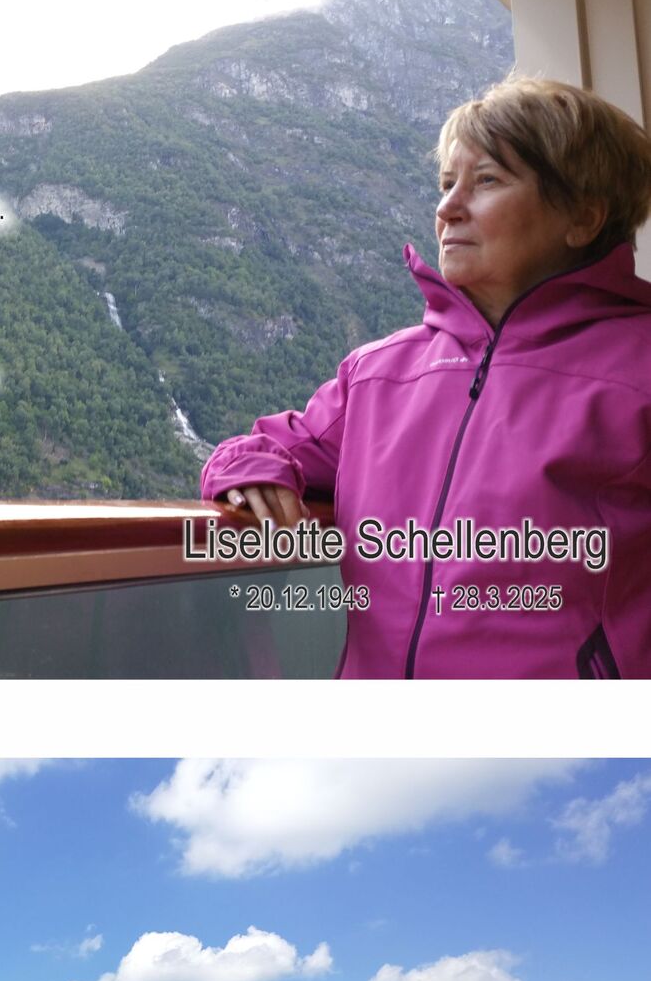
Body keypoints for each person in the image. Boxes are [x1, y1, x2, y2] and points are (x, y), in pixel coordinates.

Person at [200, 75, 651, 679]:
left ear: (583, 216)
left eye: (486, 180)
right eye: (445, 184)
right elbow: (270, 446)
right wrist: (249, 474)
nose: (447, 208)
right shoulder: (377, 374)